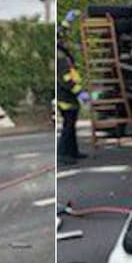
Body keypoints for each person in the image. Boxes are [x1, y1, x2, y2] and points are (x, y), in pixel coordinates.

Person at [57, 11, 91, 165]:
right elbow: (66, 79)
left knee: (71, 125)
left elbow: (60, 32)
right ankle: (63, 154)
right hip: (66, 97)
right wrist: (79, 92)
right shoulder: (59, 56)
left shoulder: (61, 52)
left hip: (69, 96)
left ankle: (73, 152)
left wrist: (67, 21)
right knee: (68, 127)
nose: (65, 40)